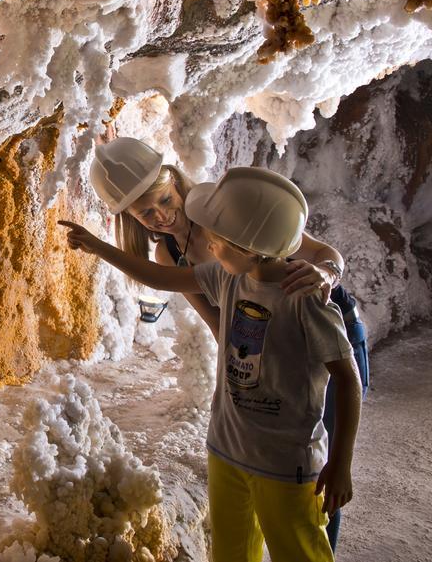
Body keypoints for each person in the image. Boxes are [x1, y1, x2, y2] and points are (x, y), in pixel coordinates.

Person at [60, 168, 363, 562]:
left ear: (248, 247)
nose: (210, 246)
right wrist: (98, 246)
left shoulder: (304, 299)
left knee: (300, 551)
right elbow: (158, 277)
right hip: (227, 451)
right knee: (231, 553)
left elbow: (348, 380)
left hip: (286, 462)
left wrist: (340, 464)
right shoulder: (227, 277)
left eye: (218, 241)